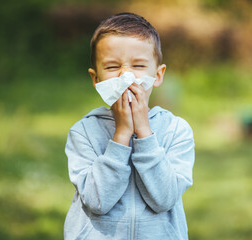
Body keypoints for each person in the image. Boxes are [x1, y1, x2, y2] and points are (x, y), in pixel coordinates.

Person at [64, 12, 195, 240]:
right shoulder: (82, 133)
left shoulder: (177, 131)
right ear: (96, 79)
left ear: (158, 75)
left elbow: (164, 198)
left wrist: (144, 132)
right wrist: (122, 134)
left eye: (138, 65)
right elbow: (97, 201)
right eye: (113, 67)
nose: (126, 75)